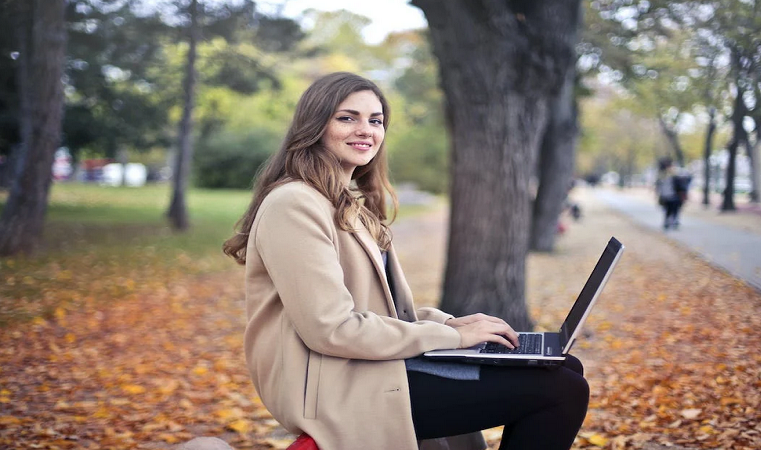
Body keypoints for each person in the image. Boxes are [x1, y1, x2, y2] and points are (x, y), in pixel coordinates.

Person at [223, 72, 590, 450]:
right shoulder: (295, 203)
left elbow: (388, 313)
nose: (365, 130)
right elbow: (330, 328)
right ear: (315, 125)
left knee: (563, 369)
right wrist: (453, 338)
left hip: (371, 366)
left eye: (376, 120)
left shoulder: (346, 203)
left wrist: (451, 323)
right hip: (334, 386)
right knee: (561, 389)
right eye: (347, 118)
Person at [655, 157, 690, 229]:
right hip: (667, 195)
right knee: (669, 209)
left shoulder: (675, 173)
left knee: (674, 208)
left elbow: (683, 182)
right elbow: (659, 186)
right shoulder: (663, 174)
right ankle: (670, 221)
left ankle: (672, 221)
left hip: (674, 195)